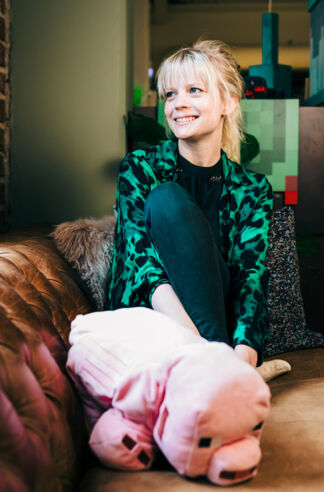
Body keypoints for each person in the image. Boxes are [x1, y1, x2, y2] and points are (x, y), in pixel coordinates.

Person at [105, 40, 273, 368]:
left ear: (228, 102)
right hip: (152, 321)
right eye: (170, 94)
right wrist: (205, 350)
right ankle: (214, 373)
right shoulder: (141, 168)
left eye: (194, 90)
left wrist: (243, 357)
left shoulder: (253, 190)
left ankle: (223, 377)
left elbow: (249, 278)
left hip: (219, 334)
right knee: (167, 200)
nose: (178, 104)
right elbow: (144, 268)